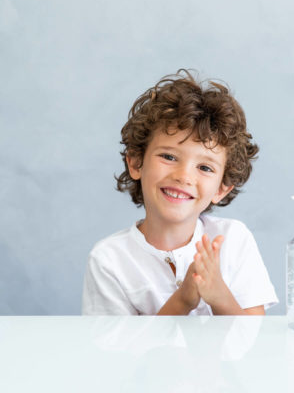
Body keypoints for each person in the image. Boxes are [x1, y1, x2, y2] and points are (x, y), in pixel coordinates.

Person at [82, 69, 278, 315]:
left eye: (205, 167)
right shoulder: (109, 260)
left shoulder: (233, 239)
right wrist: (183, 300)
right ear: (135, 163)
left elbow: (253, 342)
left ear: (221, 189)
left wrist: (219, 296)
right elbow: (121, 352)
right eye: (169, 156)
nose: (184, 176)